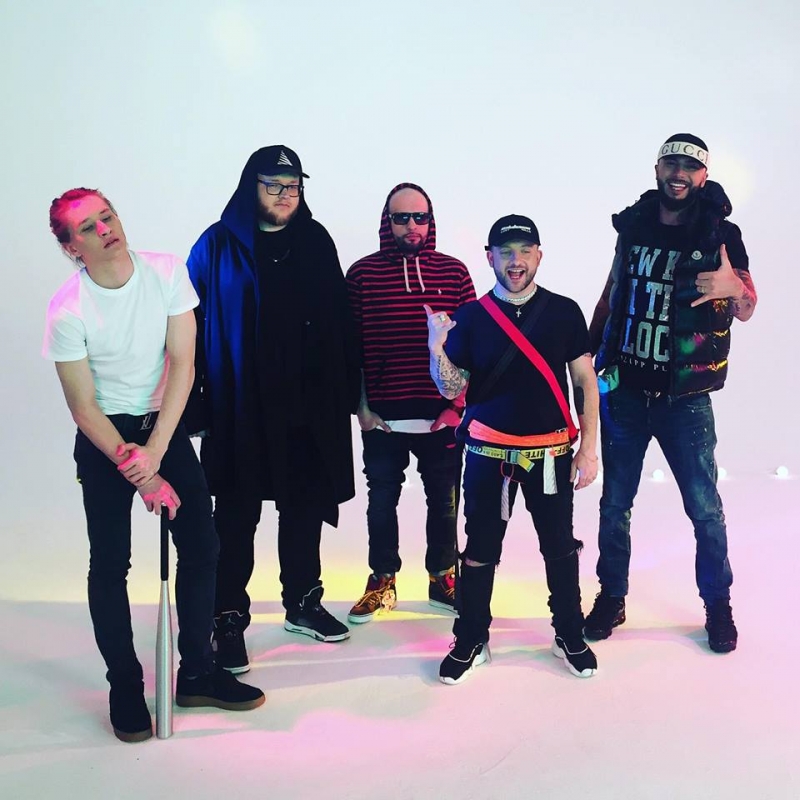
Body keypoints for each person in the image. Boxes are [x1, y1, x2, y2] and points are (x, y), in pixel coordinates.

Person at [43, 188, 265, 743]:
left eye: (107, 216)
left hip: (162, 426)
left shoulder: (165, 273)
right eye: (88, 228)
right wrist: (143, 474)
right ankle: (124, 684)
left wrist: (158, 455)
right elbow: (83, 407)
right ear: (72, 248)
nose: (105, 230)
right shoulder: (68, 309)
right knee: (110, 563)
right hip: (106, 439)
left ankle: (197, 673)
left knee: (203, 547)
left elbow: (184, 365)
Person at [185, 146, 361, 673]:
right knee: (235, 516)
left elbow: (341, 322)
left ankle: (303, 602)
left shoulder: (316, 239)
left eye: (294, 186)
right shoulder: (216, 245)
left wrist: (348, 396)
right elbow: (185, 327)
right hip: (240, 408)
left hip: (307, 409)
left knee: (304, 507)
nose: (286, 195)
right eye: (275, 185)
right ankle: (227, 618)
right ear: (251, 187)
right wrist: (194, 407)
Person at [585, 133, 757, 653]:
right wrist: (588, 355)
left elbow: (748, 306)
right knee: (614, 505)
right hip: (625, 393)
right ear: (658, 169)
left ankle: (718, 605)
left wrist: (733, 288)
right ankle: (612, 596)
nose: (679, 174)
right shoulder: (634, 224)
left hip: (686, 400)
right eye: (671, 164)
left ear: (703, 175)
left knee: (705, 509)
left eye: (690, 166)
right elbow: (612, 292)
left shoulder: (721, 233)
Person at [427, 214, 599, 684]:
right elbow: (452, 388)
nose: (515, 261)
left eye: (525, 251)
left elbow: (585, 381)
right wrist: (436, 347)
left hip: (551, 455)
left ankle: (569, 633)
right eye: (506, 252)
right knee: (480, 548)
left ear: (539, 255)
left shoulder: (564, 311)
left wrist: (589, 449)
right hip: (488, 455)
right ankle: (470, 638)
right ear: (490, 258)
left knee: (559, 547)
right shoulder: (471, 316)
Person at [345, 183, 476, 623]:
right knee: (382, 500)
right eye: (401, 217)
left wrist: (456, 407)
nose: (411, 225)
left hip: (442, 416)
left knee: (445, 500)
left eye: (420, 217)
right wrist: (362, 408)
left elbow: (472, 347)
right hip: (383, 417)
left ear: (430, 221)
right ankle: (383, 580)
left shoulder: (454, 273)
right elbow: (351, 349)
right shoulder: (362, 275)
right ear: (387, 222)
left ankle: (442, 577)